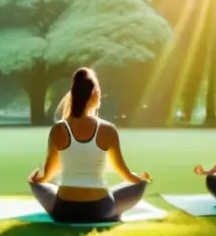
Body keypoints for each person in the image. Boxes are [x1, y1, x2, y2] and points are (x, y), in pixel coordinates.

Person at [29, 67, 151, 223]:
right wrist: (141, 180)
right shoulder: (108, 130)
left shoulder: (58, 129)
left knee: (40, 187)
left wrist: (35, 181)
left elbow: (47, 175)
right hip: (100, 210)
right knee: (137, 186)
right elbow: (125, 174)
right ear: (94, 94)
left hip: (65, 211)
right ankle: (139, 187)